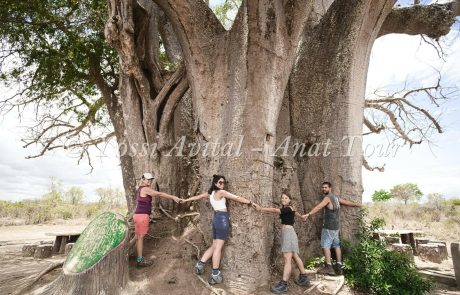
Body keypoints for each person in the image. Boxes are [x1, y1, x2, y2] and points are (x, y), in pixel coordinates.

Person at [182, 174, 253, 285]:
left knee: (214, 245)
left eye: (224, 182)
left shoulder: (210, 193)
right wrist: (250, 202)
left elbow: (198, 197)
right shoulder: (221, 192)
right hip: (222, 219)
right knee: (218, 248)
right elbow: (236, 198)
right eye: (220, 182)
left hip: (216, 219)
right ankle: (215, 274)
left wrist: (186, 200)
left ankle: (200, 265)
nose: (222, 184)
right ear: (215, 183)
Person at [253, 193, 310, 294]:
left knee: (287, 259)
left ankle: (284, 284)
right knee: (295, 256)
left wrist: (261, 208)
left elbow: (275, 210)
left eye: (286, 198)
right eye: (282, 198)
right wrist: (301, 217)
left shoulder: (288, 208)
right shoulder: (290, 208)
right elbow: (295, 213)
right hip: (288, 233)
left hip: (288, 233)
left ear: (289, 200)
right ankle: (304, 277)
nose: (283, 199)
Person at [302, 181, 362, 275]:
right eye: (323, 187)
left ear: (330, 188)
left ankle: (329, 267)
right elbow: (346, 202)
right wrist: (357, 204)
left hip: (329, 227)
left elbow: (318, 207)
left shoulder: (328, 198)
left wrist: (308, 214)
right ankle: (339, 266)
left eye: (325, 187)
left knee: (325, 246)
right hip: (336, 227)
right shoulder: (336, 198)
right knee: (336, 245)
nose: (323, 189)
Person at [132, 172, 182, 267]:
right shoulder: (145, 189)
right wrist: (173, 197)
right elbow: (159, 194)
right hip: (142, 216)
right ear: (142, 179)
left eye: (151, 179)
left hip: (137, 215)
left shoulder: (139, 189)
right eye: (147, 179)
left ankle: (128, 253)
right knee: (140, 238)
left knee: (137, 237)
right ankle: (139, 260)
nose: (149, 181)